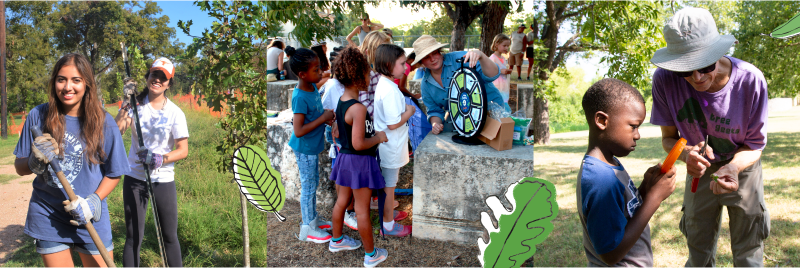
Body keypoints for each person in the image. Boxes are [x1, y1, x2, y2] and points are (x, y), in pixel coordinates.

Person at [648, 7, 769, 266]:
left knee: (749, 249)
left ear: (718, 53)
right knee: (698, 246)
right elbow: (668, 139)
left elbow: (755, 145)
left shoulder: (751, 80)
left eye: (704, 65)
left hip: (742, 167)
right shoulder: (663, 80)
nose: (697, 77)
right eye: (684, 70)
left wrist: (734, 167)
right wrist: (686, 153)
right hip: (698, 170)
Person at [13, 53, 130, 267]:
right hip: (48, 214)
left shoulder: (105, 122)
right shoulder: (38, 116)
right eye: (61, 79)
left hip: (90, 217)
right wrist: (33, 162)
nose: (68, 87)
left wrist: (93, 202)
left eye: (76, 80)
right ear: (54, 82)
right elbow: (20, 167)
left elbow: (114, 173)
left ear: (87, 84)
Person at [577, 78, 677, 266]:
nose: (638, 135)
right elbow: (610, 255)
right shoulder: (600, 178)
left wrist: (646, 188)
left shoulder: (609, 163)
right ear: (601, 120)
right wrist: (653, 199)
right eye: (633, 126)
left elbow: (623, 212)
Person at [115, 57, 189, 267]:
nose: (157, 80)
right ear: (148, 76)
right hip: (135, 178)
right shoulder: (136, 105)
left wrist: (160, 159)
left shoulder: (175, 113)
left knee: (169, 236)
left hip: (163, 180)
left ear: (169, 83)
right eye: (154, 74)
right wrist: (126, 103)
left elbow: (183, 150)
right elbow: (118, 129)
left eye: (163, 77)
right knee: (133, 237)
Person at [327, 46, 389, 267]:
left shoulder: (342, 102)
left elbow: (341, 130)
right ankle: (372, 255)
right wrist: (379, 138)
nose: (369, 75)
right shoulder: (359, 109)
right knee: (361, 210)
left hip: (344, 160)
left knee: (341, 202)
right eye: (367, 71)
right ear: (358, 75)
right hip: (360, 162)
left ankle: (336, 240)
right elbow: (359, 143)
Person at [411, 35, 509, 135]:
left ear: (440, 52)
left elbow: (492, 75)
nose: (432, 59)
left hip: (491, 113)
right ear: (421, 61)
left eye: (435, 53)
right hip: (464, 123)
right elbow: (434, 110)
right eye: (427, 57)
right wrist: (435, 123)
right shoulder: (426, 85)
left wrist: (481, 56)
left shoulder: (460, 58)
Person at [289, 48, 336, 243]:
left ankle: (314, 218)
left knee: (313, 183)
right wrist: (323, 118)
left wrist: (325, 116)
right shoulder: (300, 96)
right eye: (316, 70)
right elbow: (298, 130)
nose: (321, 73)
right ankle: (307, 227)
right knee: (308, 187)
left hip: (312, 147)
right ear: (302, 74)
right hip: (305, 148)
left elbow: (314, 113)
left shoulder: (313, 87)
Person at [373, 44, 415, 237]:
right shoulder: (389, 89)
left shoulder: (386, 84)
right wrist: (410, 111)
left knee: (390, 183)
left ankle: (388, 214)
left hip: (389, 144)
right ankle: (388, 225)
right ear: (389, 65)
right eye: (402, 63)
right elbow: (392, 123)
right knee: (389, 186)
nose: (406, 67)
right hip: (390, 144)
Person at [490, 34, 514, 105]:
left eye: (508, 46)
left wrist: (507, 71)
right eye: (504, 46)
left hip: (504, 86)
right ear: (497, 44)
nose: (506, 48)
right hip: (496, 86)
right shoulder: (493, 58)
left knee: (504, 103)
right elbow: (490, 71)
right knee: (498, 104)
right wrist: (500, 71)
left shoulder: (503, 58)